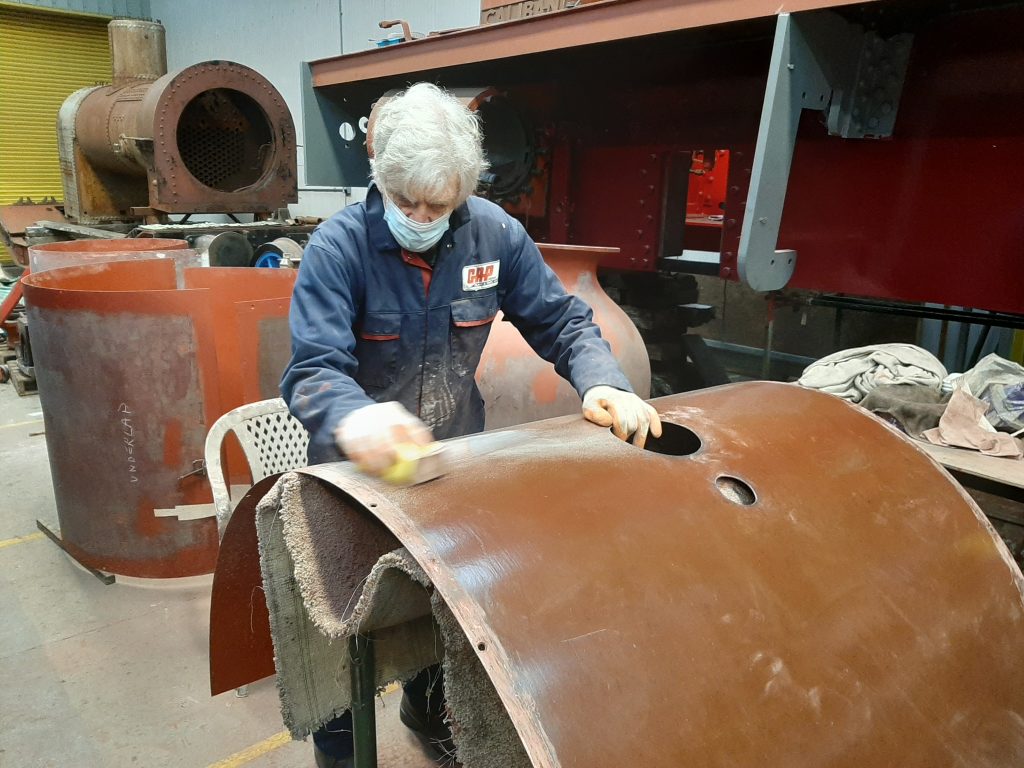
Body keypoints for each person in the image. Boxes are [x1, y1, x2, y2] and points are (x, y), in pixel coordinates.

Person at [281, 82, 660, 768]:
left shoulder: (494, 234)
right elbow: (312, 370)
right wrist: (358, 417)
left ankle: (430, 718)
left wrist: (604, 380)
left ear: (465, 188)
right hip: (351, 476)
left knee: (445, 618)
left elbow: (562, 321)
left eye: (439, 203)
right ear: (380, 181)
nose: (422, 216)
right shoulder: (337, 249)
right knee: (342, 644)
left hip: (446, 466)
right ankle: (341, 755)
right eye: (406, 203)